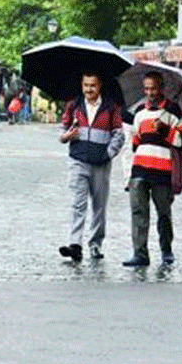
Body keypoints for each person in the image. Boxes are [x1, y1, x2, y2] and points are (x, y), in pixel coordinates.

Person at [57, 73, 124, 262]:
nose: (89, 89)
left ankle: (95, 244)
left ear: (100, 85)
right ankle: (75, 244)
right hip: (78, 160)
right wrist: (65, 137)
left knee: (99, 206)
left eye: (93, 85)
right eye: (86, 85)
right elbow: (62, 129)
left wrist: (108, 153)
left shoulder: (111, 107)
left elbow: (119, 135)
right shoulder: (74, 105)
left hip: (101, 163)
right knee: (78, 203)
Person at [123, 71, 182, 267]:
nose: (150, 93)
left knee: (163, 212)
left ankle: (166, 250)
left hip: (163, 169)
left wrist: (164, 129)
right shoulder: (139, 111)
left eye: (153, 89)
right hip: (139, 168)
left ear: (162, 89)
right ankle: (140, 253)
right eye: (147, 89)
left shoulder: (173, 111)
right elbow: (134, 141)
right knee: (138, 212)